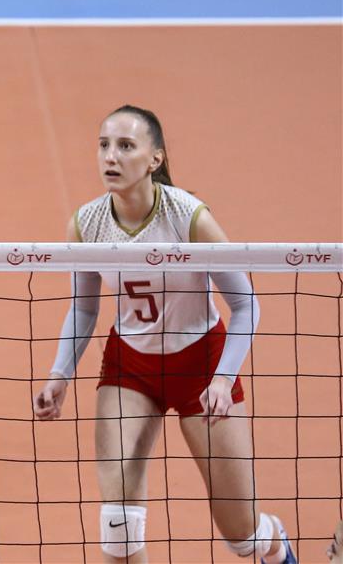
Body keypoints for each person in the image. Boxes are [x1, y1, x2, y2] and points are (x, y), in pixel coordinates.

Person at [32, 105, 296, 564]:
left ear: (154, 158)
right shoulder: (86, 225)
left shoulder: (189, 219)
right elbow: (84, 306)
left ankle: (275, 545)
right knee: (117, 524)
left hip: (202, 365)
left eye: (125, 146)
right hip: (130, 366)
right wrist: (60, 374)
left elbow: (245, 304)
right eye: (104, 145)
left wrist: (222, 378)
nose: (110, 156)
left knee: (242, 536)